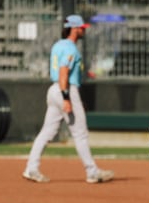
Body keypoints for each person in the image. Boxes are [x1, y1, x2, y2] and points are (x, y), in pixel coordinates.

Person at [23, 14, 114, 184]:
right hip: (65, 89)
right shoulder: (71, 48)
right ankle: (92, 171)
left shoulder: (58, 45)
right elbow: (64, 71)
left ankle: (31, 168)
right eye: (81, 28)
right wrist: (67, 98)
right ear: (74, 29)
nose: (82, 31)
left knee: (46, 132)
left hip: (54, 89)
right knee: (80, 133)